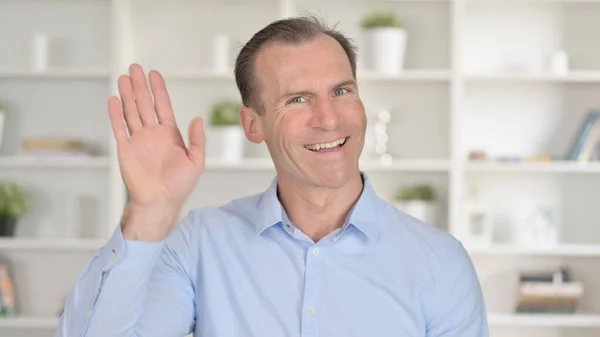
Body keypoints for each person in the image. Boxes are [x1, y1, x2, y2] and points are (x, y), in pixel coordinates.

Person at [55, 15, 488, 337]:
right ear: (252, 125)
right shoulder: (201, 244)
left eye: (341, 91)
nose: (328, 118)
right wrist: (149, 212)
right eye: (297, 99)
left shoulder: (440, 263)